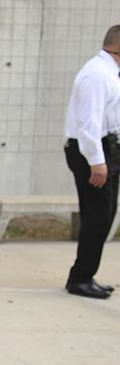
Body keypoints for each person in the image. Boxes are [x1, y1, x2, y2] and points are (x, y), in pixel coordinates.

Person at [62, 25, 120, 299]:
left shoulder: (109, 72)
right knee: (97, 216)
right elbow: (88, 124)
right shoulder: (97, 75)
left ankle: (86, 274)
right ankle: (80, 278)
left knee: (105, 215)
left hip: (105, 148)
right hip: (90, 152)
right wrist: (97, 162)